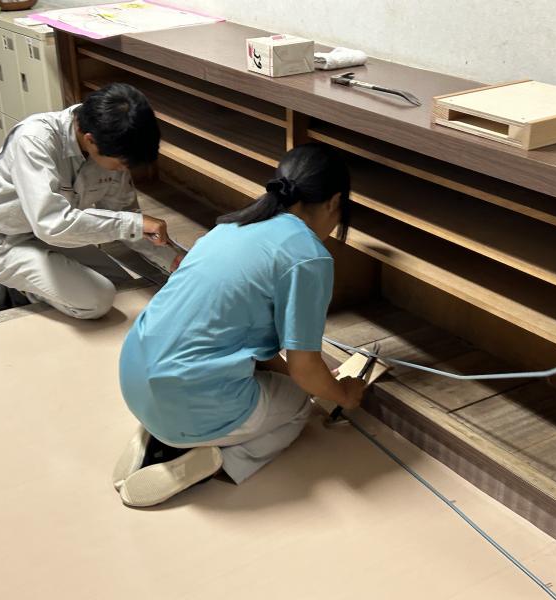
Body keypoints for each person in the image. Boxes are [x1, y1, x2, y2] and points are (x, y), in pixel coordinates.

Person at [113, 143, 367, 507]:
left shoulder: (231, 225)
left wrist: (307, 377)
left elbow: (251, 342)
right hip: (185, 399)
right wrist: (343, 394)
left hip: (133, 376)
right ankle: (216, 459)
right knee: (299, 406)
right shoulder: (308, 256)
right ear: (334, 202)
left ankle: (158, 435)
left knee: (257, 377)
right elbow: (304, 367)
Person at [0, 83, 181, 320]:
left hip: (58, 236)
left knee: (120, 286)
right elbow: (51, 224)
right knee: (97, 300)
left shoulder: (110, 138)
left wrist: (173, 259)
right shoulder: (34, 139)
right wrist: (134, 224)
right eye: (121, 164)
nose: (123, 170)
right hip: (5, 239)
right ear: (90, 140)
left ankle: (34, 282)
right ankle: (17, 290)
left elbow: (127, 218)